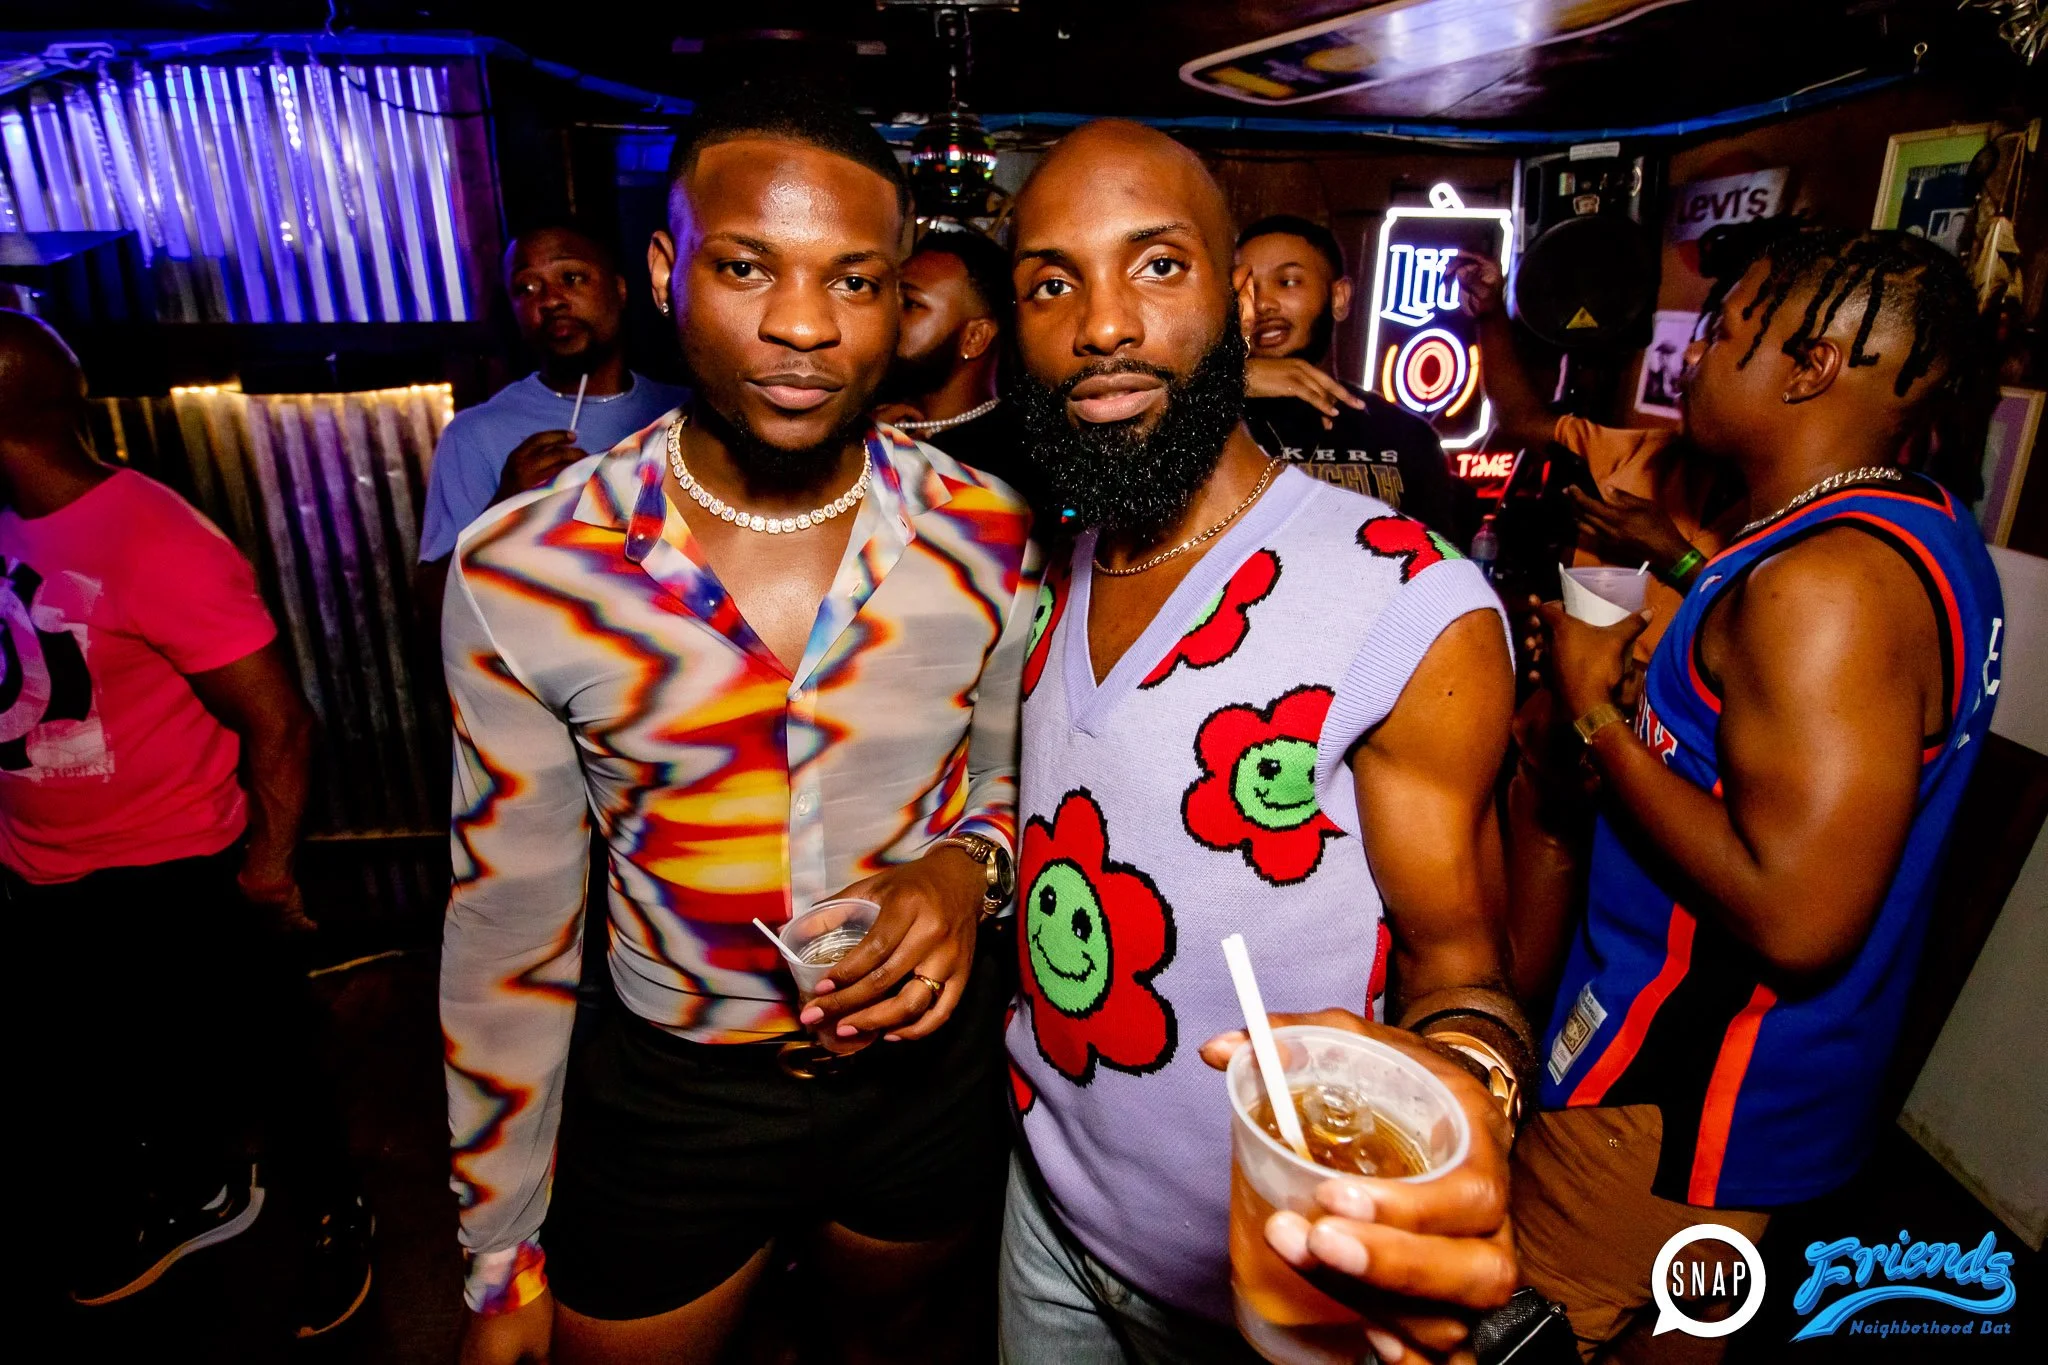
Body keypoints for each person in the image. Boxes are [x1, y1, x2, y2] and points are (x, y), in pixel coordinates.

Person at [442, 85, 1037, 1365]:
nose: (802, 324)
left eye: (854, 280)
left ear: (897, 299)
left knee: (883, 1345)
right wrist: (499, 1249)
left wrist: (964, 870)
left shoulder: (990, 533)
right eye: (747, 267)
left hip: (921, 1085)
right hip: (673, 1097)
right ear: (667, 273)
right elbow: (508, 926)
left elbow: (1015, 784)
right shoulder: (526, 569)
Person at [999, 120, 1528, 1365]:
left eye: (1156, 266)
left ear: (1238, 300)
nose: (1102, 325)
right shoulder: (1055, 562)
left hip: (1272, 1274)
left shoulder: (1405, 605)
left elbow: (1462, 969)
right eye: (1050, 283)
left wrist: (1462, 1102)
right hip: (1043, 1220)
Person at [1523, 227, 2002, 1362]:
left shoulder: (1824, 589)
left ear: (1810, 368)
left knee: (1515, 1330)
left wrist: (1593, 711)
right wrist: (1673, 603)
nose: (1692, 353)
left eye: (1727, 328)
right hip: (1771, 1114)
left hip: (1668, 1107)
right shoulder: (1914, 526)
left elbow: (1797, 916)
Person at [0, 312, 368, 1335]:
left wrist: (268, 870)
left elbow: (281, 720)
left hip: (174, 863)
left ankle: (338, 1214)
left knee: (271, 1061)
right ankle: (201, 1195)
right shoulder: (12, 520)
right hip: (41, 868)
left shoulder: (153, 538)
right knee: (116, 1066)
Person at [415, 223, 687, 583]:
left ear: (620, 290)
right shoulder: (472, 436)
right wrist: (506, 509)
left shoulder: (687, 413)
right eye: (526, 287)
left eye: (572, 278)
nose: (550, 300)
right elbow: (434, 601)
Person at [1238, 214, 1460, 535]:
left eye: (1287, 282)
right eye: (1246, 289)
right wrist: (1230, 382)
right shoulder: (1207, 420)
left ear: (1339, 298)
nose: (1262, 304)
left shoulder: (1403, 435)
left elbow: (1438, 559)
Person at [878, 225, 1045, 515]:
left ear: (975, 338)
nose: (886, 317)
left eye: (911, 304)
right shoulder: (870, 417)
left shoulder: (1011, 463)